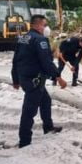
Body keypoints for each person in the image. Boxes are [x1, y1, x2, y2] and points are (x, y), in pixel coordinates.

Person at [11, 14, 66, 148]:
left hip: (25, 77)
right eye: (44, 24)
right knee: (29, 111)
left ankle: (48, 127)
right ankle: (24, 141)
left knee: (45, 101)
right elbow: (46, 62)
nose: (46, 27)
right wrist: (58, 77)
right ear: (37, 25)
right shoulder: (40, 40)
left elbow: (16, 60)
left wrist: (16, 79)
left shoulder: (23, 38)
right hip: (34, 80)